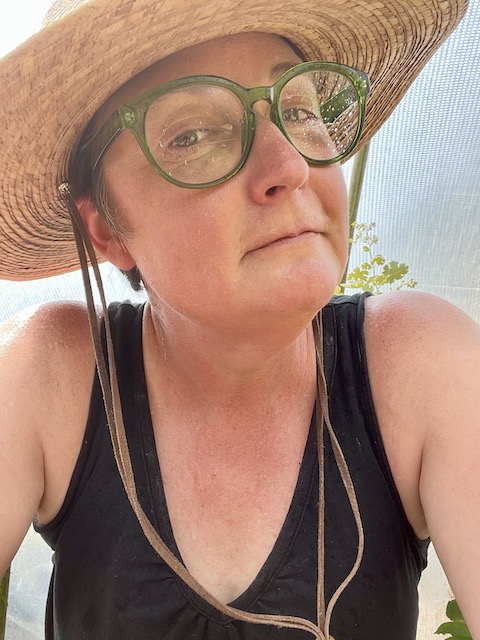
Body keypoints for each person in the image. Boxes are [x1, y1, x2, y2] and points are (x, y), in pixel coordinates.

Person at [0, 0, 478, 638]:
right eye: (193, 135)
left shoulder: (423, 363)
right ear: (106, 229)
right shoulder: (54, 377)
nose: (289, 166)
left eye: (299, 110)